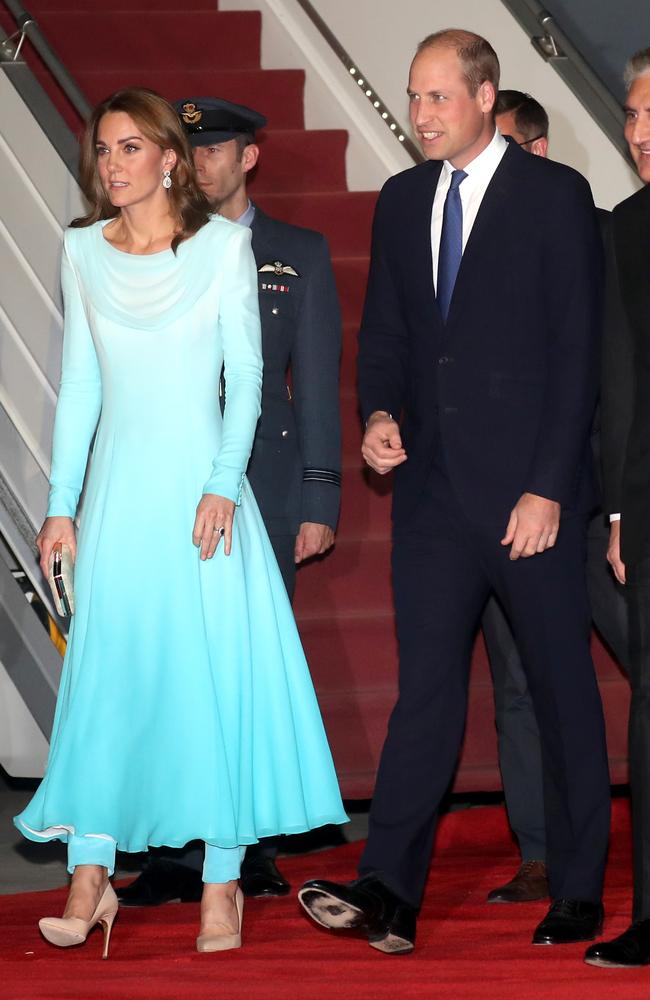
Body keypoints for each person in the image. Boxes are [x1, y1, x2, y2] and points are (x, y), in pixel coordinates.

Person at [14, 86, 347, 956]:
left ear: (169, 159)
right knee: (109, 682)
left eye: (129, 149)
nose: (111, 165)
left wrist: (221, 484)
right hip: (118, 501)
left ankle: (223, 883)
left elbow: (246, 377)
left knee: (214, 686)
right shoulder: (81, 250)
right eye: (103, 151)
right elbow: (81, 386)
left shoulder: (224, 251)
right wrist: (60, 508)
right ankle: (91, 875)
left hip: (205, 498)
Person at [298, 28, 610, 955]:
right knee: (426, 694)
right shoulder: (401, 201)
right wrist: (379, 415)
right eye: (414, 96)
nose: (420, 113)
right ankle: (388, 890)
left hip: (530, 503)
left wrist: (550, 487)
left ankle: (582, 888)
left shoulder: (557, 197)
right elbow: (389, 332)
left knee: (561, 693)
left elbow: (577, 354)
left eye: (438, 97)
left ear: (485, 95)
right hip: (433, 500)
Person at [115, 97, 342, 907]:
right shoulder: (149, 245)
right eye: (191, 149)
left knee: (245, 670)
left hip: (264, 482)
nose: (199, 163)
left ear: (248, 157)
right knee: (172, 663)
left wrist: (321, 494)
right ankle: (174, 848)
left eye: (214, 149)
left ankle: (247, 845)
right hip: (163, 483)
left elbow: (312, 381)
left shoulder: (293, 252)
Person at [481, 90, 629, 905]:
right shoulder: (461, 247)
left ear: (535, 154)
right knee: (519, 682)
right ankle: (540, 850)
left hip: (605, 498)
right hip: (516, 507)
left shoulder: (613, 234)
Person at [586, 47, 650, 969]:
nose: (635, 134)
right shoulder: (630, 225)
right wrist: (618, 512)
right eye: (632, 116)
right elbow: (625, 379)